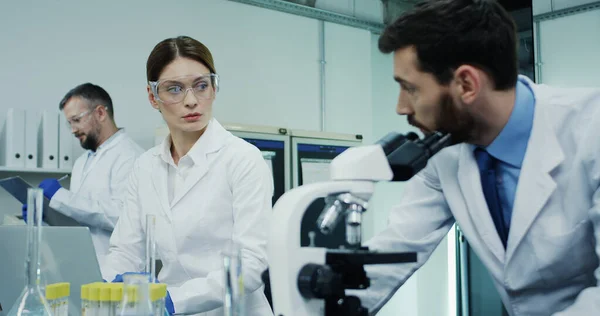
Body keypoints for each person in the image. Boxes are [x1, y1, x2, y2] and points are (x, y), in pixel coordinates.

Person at [354, 1, 600, 315]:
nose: (401, 108)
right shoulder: (445, 152)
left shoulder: (592, 131)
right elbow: (398, 246)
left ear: (466, 84)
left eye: (410, 89)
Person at [102, 36, 274, 316]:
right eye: (174, 89)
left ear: (214, 88)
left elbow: (251, 263)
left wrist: (171, 299)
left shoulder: (242, 159)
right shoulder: (145, 167)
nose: (191, 101)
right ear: (152, 97)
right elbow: (126, 250)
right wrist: (105, 288)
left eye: (201, 86)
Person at [25, 83, 144, 267]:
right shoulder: (82, 162)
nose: (73, 129)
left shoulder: (132, 157)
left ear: (100, 113)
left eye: (77, 120)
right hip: (79, 263)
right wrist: (46, 218)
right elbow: (78, 221)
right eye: (69, 123)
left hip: (113, 271)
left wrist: (61, 197)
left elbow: (124, 217)